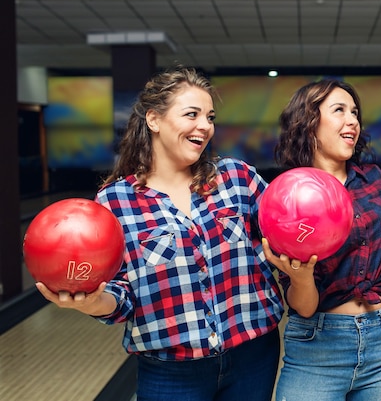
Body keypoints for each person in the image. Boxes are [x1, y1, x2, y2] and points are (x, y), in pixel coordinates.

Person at [36, 66, 284, 401]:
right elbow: (121, 297)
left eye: (209, 117)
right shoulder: (115, 202)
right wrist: (93, 302)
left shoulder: (237, 178)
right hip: (170, 370)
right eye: (192, 114)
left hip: (254, 355)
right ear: (154, 120)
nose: (204, 126)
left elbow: (285, 230)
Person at [262, 79, 381, 401]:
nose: (352, 120)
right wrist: (301, 278)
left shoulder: (375, 180)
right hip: (318, 349)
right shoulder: (288, 198)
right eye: (339, 110)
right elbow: (304, 307)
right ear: (308, 123)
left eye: (354, 112)